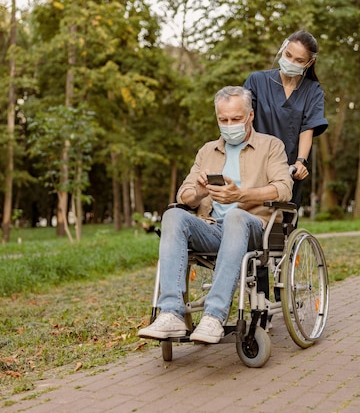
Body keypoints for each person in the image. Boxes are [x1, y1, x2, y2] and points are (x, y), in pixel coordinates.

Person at [137, 86, 293, 344]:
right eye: (223, 120)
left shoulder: (271, 146)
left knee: (235, 216)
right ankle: (171, 314)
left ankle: (214, 317)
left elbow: (284, 189)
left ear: (251, 116)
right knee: (172, 215)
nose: (229, 125)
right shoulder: (207, 151)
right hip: (211, 229)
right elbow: (183, 194)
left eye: (235, 119)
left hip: (255, 228)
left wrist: (240, 196)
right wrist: (197, 194)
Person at [244, 30, 328, 209]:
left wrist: (301, 161)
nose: (291, 62)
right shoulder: (257, 81)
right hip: (254, 163)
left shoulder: (313, 91)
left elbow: (308, 129)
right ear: (283, 50)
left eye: (299, 60)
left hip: (288, 168)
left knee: (280, 225)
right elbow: (242, 119)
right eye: (288, 55)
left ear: (309, 63)